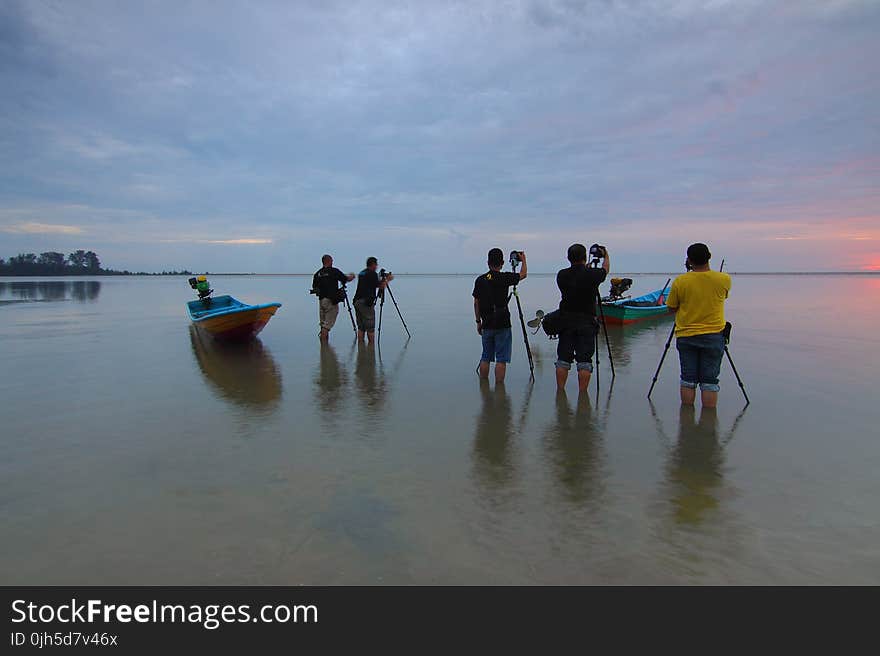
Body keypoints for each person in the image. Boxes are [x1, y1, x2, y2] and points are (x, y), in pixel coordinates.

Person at [665, 243, 731, 408]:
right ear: (709, 257)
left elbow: (671, 307)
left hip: (686, 335)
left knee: (688, 379)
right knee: (710, 381)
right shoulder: (724, 279)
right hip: (714, 335)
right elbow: (723, 296)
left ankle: (686, 420)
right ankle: (708, 424)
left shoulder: (681, 281)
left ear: (689, 260)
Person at [555, 243, 609, 393]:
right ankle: (582, 394)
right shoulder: (592, 275)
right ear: (585, 257)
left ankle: (560, 391)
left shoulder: (562, 275)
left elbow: (577, 278)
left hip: (566, 321)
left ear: (568, 258)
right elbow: (605, 270)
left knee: (563, 359)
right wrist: (606, 255)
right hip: (587, 321)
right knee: (584, 361)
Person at [472, 248, 527, 382]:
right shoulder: (505, 277)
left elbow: (476, 303)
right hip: (503, 323)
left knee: (486, 357)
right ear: (502, 263)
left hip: (487, 323)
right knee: (501, 359)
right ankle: (499, 388)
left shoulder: (481, 280)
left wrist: (478, 322)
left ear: (488, 262)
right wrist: (523, 260)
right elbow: (523, 274)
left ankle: (483, 387)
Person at [311, 254, 355, 341]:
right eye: (332, 261)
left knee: (323, 324)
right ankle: (323, 344)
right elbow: (345, 279)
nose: (332, 262)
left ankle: (324, 350)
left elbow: (314, 288)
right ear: (330, 261)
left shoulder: (318, 273)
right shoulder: (334, 271)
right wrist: (352, 276)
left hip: (321, 301)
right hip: (331, 301)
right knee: (327, 326)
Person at [352, 257, 393, 343]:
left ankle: (361, 349)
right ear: (373, 264)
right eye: (376, 264)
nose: (377, 266)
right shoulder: (372, 273)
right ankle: (371, 348)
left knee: (361, 327)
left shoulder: (362, 273)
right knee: (370, 327)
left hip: (357, 301)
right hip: (365, 303)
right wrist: (388, 279)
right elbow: (380, 286)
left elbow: (371, 283)